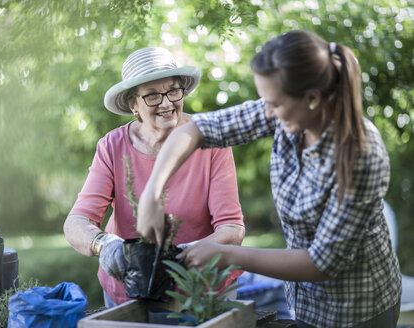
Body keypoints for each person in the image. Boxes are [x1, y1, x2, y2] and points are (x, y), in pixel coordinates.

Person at [136, 31, 401, 327]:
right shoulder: (286, 112)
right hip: (304, 303)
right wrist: (151, 194)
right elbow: (195, 130)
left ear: (312, 98)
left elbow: (322, 263)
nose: (267, 111)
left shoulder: (360, 153)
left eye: (274, 103)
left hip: (358, 309)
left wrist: (228, 254)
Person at [63, 47, 245, 307]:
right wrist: (104, 245)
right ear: (132, 104)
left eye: (173, 90)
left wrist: (177, 259)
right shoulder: (112, 146)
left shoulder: (212, 141)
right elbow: (77, 222)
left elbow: (232, 230)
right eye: (151, 96)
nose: (167, 102)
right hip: (130, 294)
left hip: (201, 294)